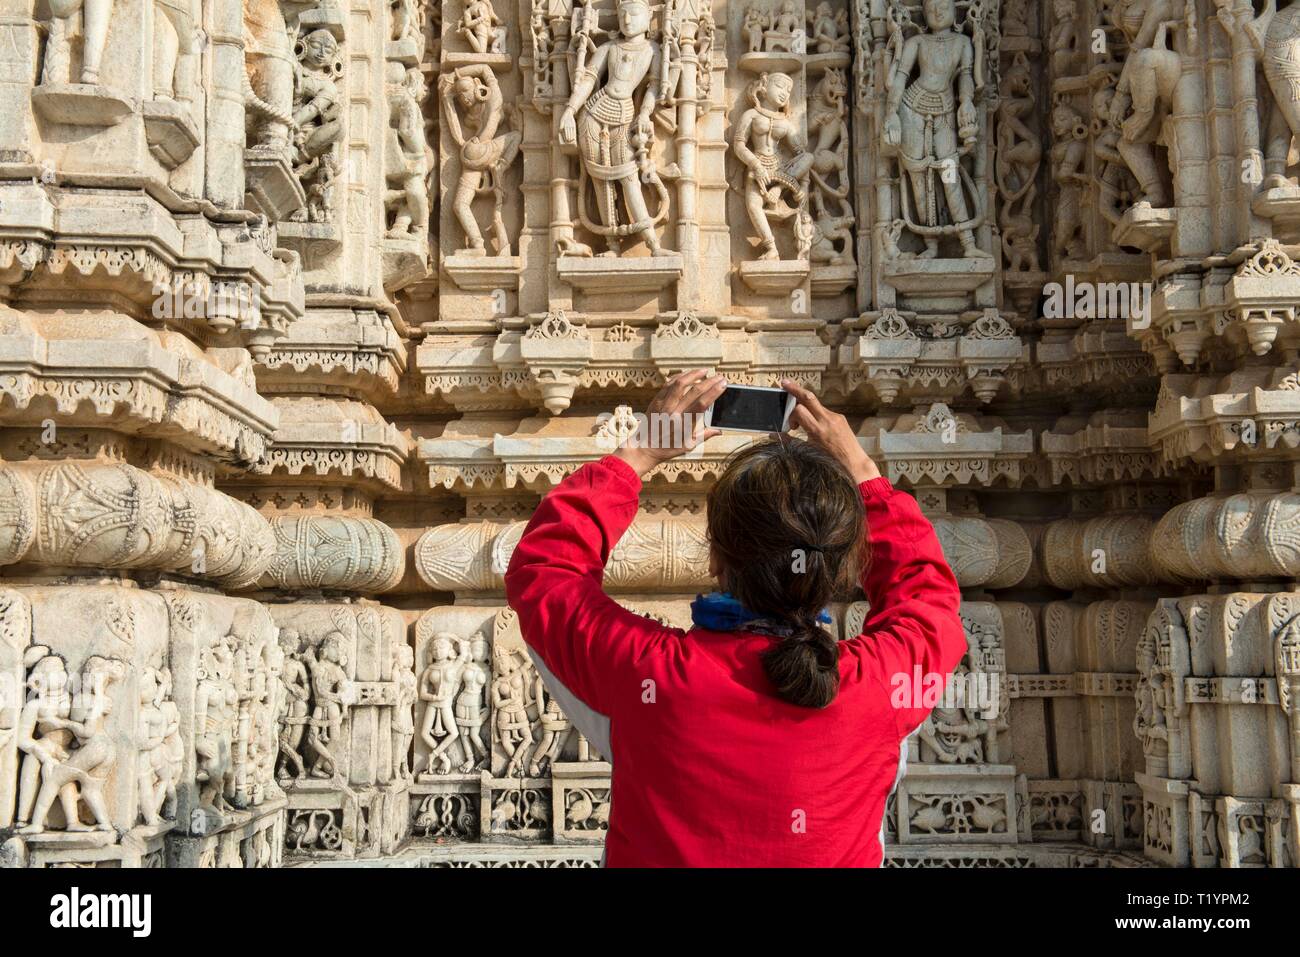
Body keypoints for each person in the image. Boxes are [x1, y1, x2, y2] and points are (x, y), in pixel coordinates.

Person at [504, 370, 967, 866]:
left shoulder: (647, 674)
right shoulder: (879, 687)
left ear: (716, 562)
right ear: (845, 566)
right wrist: (862, 471)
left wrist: (638, 452)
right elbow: (927, 598)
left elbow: (546, 574)